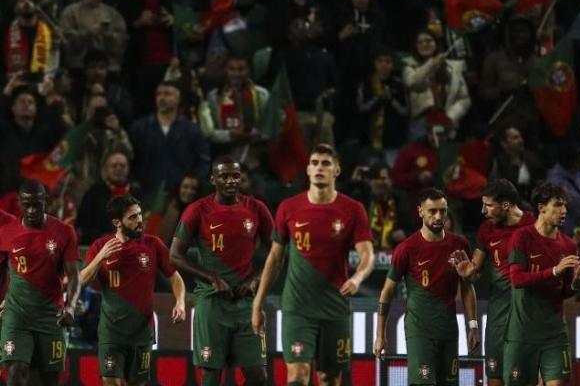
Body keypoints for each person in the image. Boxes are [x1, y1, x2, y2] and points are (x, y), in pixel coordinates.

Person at [252, 144, 375, 386]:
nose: (320, 167)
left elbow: (368, 255)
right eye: (315, 163)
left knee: (329, 378)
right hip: (297, 309)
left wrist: (357, 278)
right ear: (308, 169)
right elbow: (275, 258)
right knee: (297, 375)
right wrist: (258, 302)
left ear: (337, 170)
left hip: (334, 308)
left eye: (326, 163)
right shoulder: (289, 208)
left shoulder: (353, 210)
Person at [170, 157, 274, 386]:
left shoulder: (256, 208)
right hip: (211, 301)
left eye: (235, 176)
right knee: (211, 375)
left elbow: (279, 252)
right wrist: (211, 277)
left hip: (246, 303)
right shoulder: (197, 210)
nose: (230, 181)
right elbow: (175, 254)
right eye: (224, 176)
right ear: (212, 179)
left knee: (258, 376)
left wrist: (256, 279)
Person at [502, 182, 580, 386]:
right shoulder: (522, 237)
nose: (564, 210)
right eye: (558, 205)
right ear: (541, 207)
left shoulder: (568, 245)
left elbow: (565, 290)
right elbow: (516, 279)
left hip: (554, 333)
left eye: (565, 206)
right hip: (522, 334)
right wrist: (553, 271)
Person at [373, 188, 479, 386]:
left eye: (443, 210)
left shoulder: (460, 244)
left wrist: (472, 325)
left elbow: (467, 286)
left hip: (448, 330)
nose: (438, 216)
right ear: (420, 211)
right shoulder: (406, 248)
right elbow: (386, 292)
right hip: (419, 330)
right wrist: (380, 335)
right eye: (432, 211)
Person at [80, 195, 186, 385]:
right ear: (117, 222)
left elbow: (175, 277)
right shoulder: (99, 246)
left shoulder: (153, 245)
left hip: (142, 331)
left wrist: (180, 302)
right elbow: (80, 281)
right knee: (110, 381)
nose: (139, 221)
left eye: (139, 215)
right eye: (132, 217)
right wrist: (100, 258)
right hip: (111, 331)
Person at [452, 179, 535, 386]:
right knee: (495, 377)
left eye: (488, 205)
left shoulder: (534, 225)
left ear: (505, 205)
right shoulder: (486, 230)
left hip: (529, 312)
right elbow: (474, 270)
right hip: (498, 313)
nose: (483, 210)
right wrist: (467, 272)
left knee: (523, 379)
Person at [0, 180, 81, 386]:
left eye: (37, 204)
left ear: (46, 201)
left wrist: (70, 306)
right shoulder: (7, 229)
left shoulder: (64, 232)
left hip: (51, 317)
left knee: (49, 380)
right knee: (17, 371)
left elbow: (74, 275)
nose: (32, 209)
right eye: (27, 204)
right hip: (17, 317)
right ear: (19, 203)